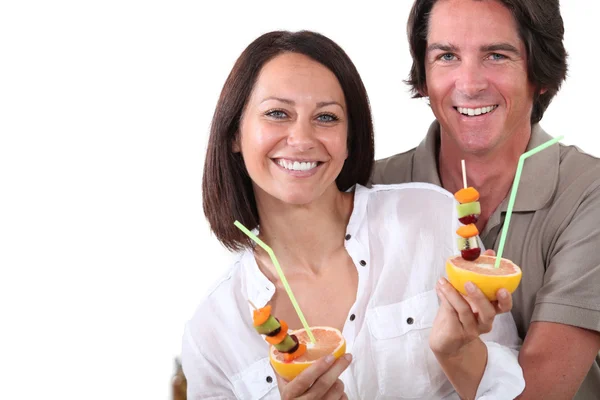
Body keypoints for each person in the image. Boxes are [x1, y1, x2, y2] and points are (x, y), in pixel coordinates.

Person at [181, 30, 524, 399]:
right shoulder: (212, 334)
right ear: (235, 134)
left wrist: (457, 351)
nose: (301, 138)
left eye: (326, 117)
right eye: (277, 113)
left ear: (350, 140)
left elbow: (516, 388)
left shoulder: (432, 219)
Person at [371, 0, 600, 398]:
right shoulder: (373, 189)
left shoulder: (589, 193)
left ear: (540, 74)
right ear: (423, 77)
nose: (470, 83)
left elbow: (538, 394)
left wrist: (456, 353)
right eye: (446, 56)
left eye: (496, 55)